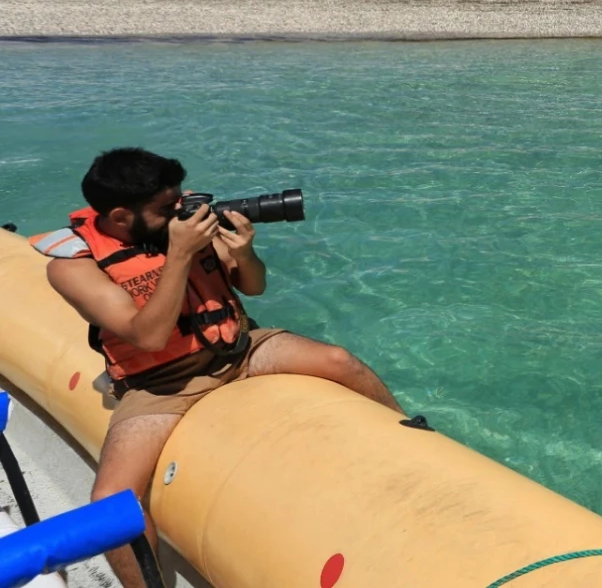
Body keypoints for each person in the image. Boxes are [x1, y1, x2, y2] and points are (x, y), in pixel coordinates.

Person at [32, 148, 404, 588]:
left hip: (237, 351)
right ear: (119, 216)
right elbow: (146, 336)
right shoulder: (72, 268)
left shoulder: (184, 227)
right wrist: (180, 254)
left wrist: (244, 253)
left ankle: (411, 449)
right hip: (161, 384)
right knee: (110, 504)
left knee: (339, 361)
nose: (178, 212)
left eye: (177, 201)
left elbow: (254, 286)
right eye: (163, 208)